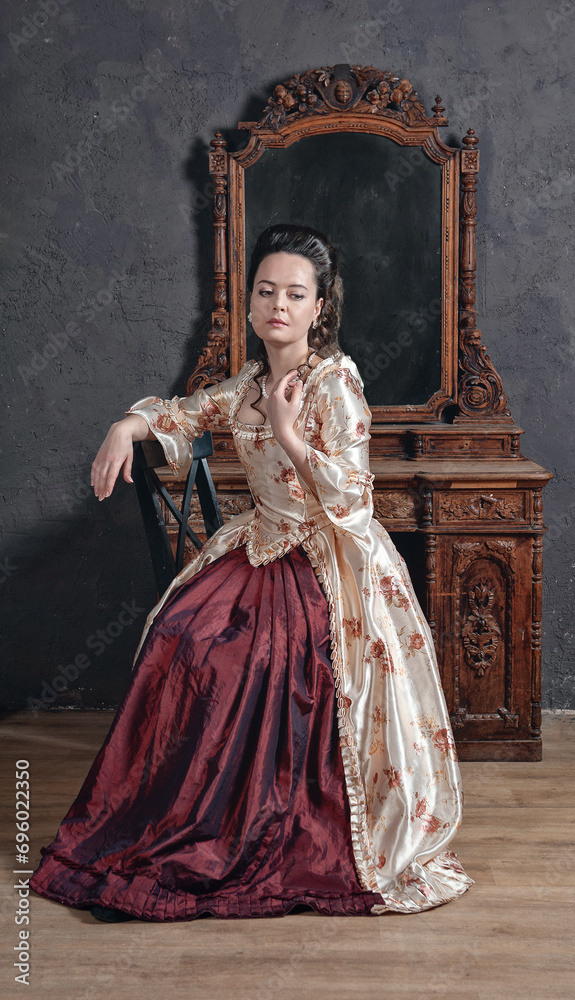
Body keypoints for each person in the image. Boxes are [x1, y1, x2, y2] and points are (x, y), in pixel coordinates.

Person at [29, 223, 474, 922]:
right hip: (257, 545)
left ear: (320, 307)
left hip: (326, 558)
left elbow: (355, 499)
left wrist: (290, 433)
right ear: (250, 302)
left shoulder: (335, 382)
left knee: (252, 658)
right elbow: (180, 412)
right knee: (180, 634)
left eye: (295, 294)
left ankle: (264, 817)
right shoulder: (248, 383)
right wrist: (127, 425)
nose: (278, 305)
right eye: (267, 291)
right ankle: (189, 814)